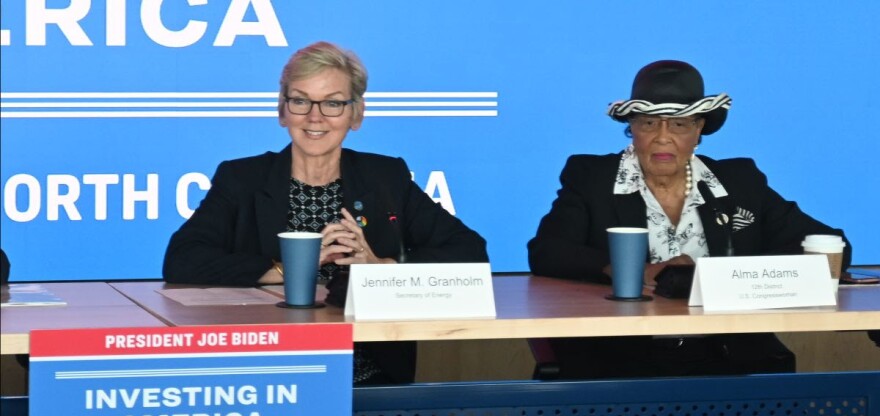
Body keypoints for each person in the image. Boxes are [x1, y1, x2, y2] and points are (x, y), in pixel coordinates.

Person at [163, 41, 489, 385]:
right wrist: (289, 268)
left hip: (367, 378)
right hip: (266, 374)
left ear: (356, 114)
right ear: (282, 110)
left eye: (333, 103)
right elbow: (182, 259)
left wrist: (380, 270)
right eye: (301, 101)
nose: (315, 117)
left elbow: (470, 252)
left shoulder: (385, 178)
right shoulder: (242, 179)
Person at [528, 60, 851, 379]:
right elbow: (547, 251)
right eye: (649, 123)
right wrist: (635, 270)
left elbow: (832, 246)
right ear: (633, 130)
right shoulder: (592, 177)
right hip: (618, 359)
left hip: (728, 357)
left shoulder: (739, 182)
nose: (663, 137)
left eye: (680, 124)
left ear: (698, 131)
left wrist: (743, 277)